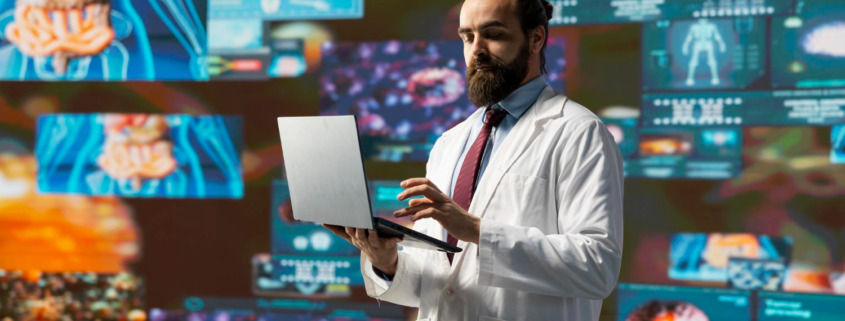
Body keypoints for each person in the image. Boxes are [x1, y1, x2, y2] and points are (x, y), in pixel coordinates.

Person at [325, 0, 624, 320]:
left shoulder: (580, 132)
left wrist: (476, 231)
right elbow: (441, 283)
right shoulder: (450, 142)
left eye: (493, 35)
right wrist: (387, 263)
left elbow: (597, 267)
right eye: (467, 37)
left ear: (536, 38)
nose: (477, 50)